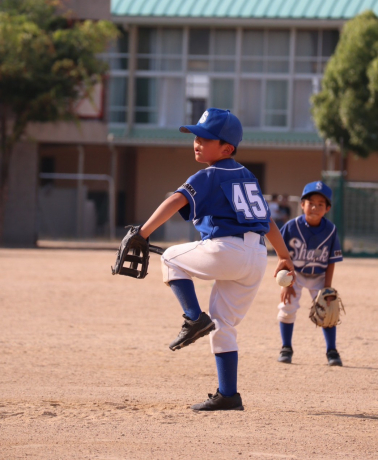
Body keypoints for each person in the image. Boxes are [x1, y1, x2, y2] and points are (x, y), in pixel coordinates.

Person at [138, 108, 294, 411]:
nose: (197, 141)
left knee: (171, 259)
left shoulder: (210, 173)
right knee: (223, 325)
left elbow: (175, 200)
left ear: (227, 149)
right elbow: (267, 221)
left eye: (206, 138)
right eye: (196, 136)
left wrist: (143, 233)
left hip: (228, 251)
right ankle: (228, 395)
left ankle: (194, 318)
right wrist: (284, 256)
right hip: (257, 256)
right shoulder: (247, 176)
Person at [276, 181, 343, 367]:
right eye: (310, 202)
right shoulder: (291, 227)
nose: (314, 207)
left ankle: (332, 350)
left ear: (327, 208)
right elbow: (282, 255)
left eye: (320, 204)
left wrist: (327, 288)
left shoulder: (331, 230)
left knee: (328, 309)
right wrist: (287, 284)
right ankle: (286, 348)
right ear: (302, 204)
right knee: (287, 307)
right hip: (294, 273)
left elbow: (331, 262)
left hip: (320, 275)